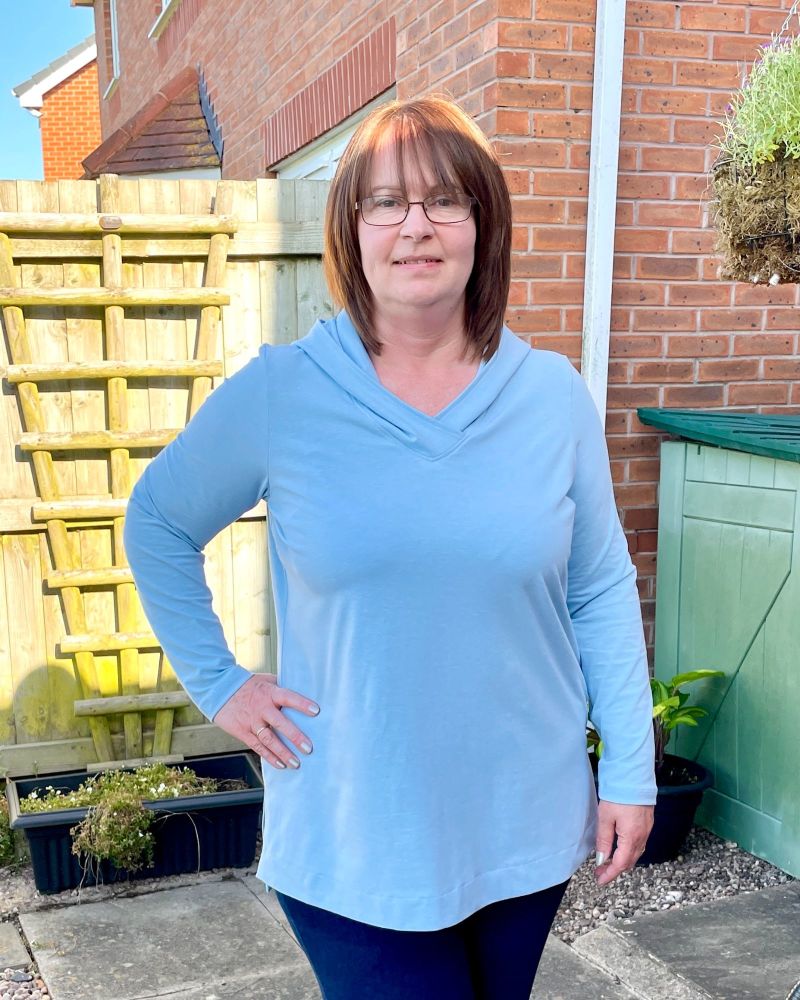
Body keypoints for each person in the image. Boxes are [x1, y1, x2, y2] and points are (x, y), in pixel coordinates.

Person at [124, 95, 656, 999]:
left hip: (525, 818)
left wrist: (631, 772)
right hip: (357, 832)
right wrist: (220, 682)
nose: (417, 226)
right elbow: (158, 522)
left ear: (482, 223)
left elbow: (599, 588)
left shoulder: (554, 397)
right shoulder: (283, 393)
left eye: (445, 199)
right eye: (386, 202)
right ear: (352, 228)